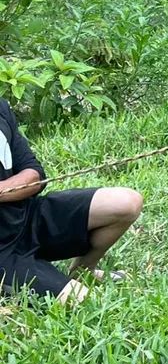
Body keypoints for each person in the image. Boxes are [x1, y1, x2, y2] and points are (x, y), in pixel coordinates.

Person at [0, 99, 143, 305]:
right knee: (84, 302)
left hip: (27, 217)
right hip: (3, 253)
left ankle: (84, 271)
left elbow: (34, 174)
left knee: (127, 202)